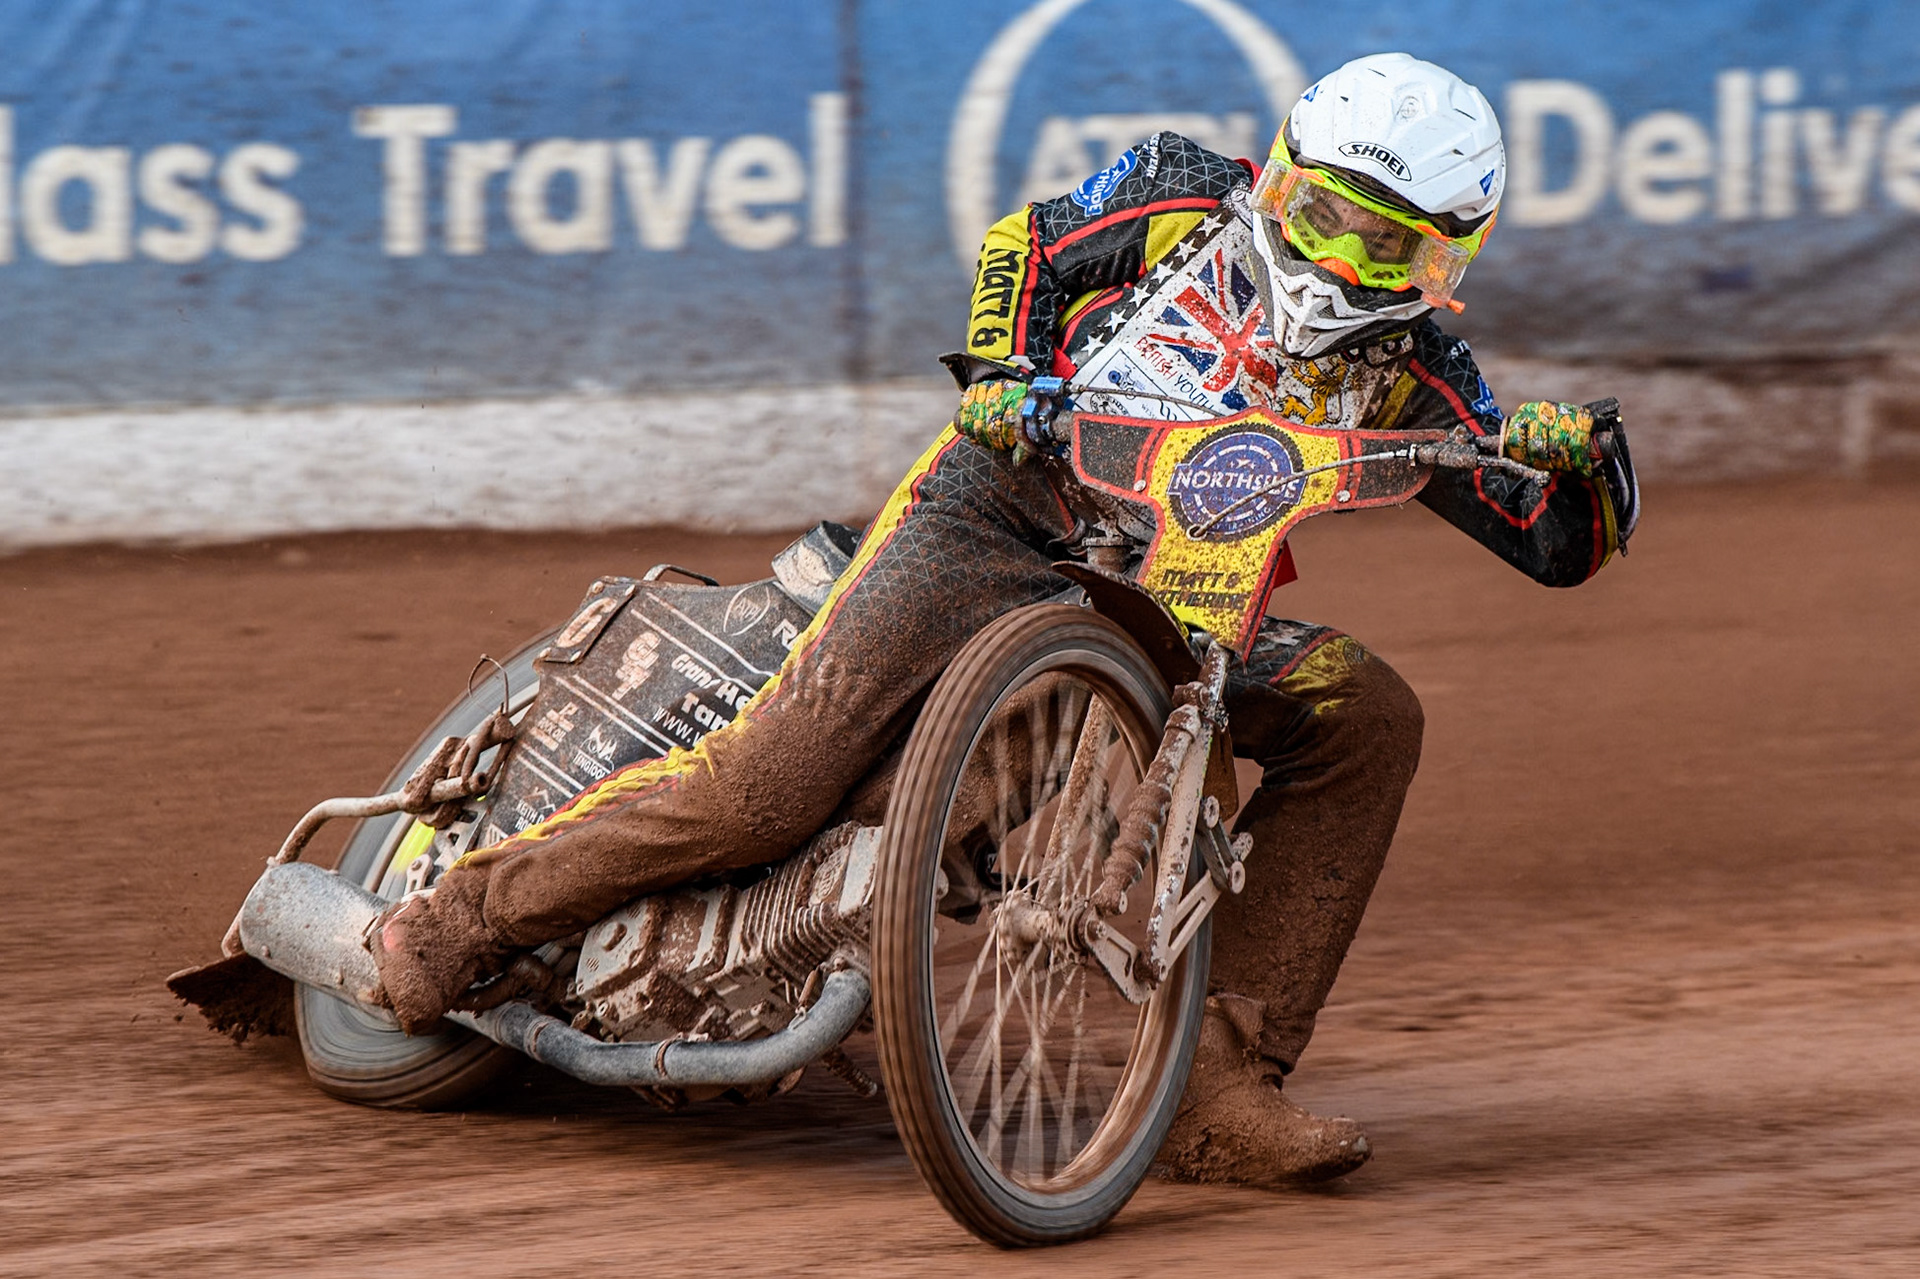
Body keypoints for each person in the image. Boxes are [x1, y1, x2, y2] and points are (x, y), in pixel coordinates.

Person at [371, 52, 1638, 1188]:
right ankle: (456, 919)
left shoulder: (1428, 378)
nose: (1336, 264)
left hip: (1182, 594)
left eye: (1385, 249)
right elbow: (1020, 250)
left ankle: (1214, 1086)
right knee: (767, 787)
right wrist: (1001, 377)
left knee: (1365, 710)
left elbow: (1558, 546)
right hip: (993, 509)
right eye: (1320, 218)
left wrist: (1585, 462)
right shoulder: (1184, 196)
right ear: (1282, 177)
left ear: (1445, 262)